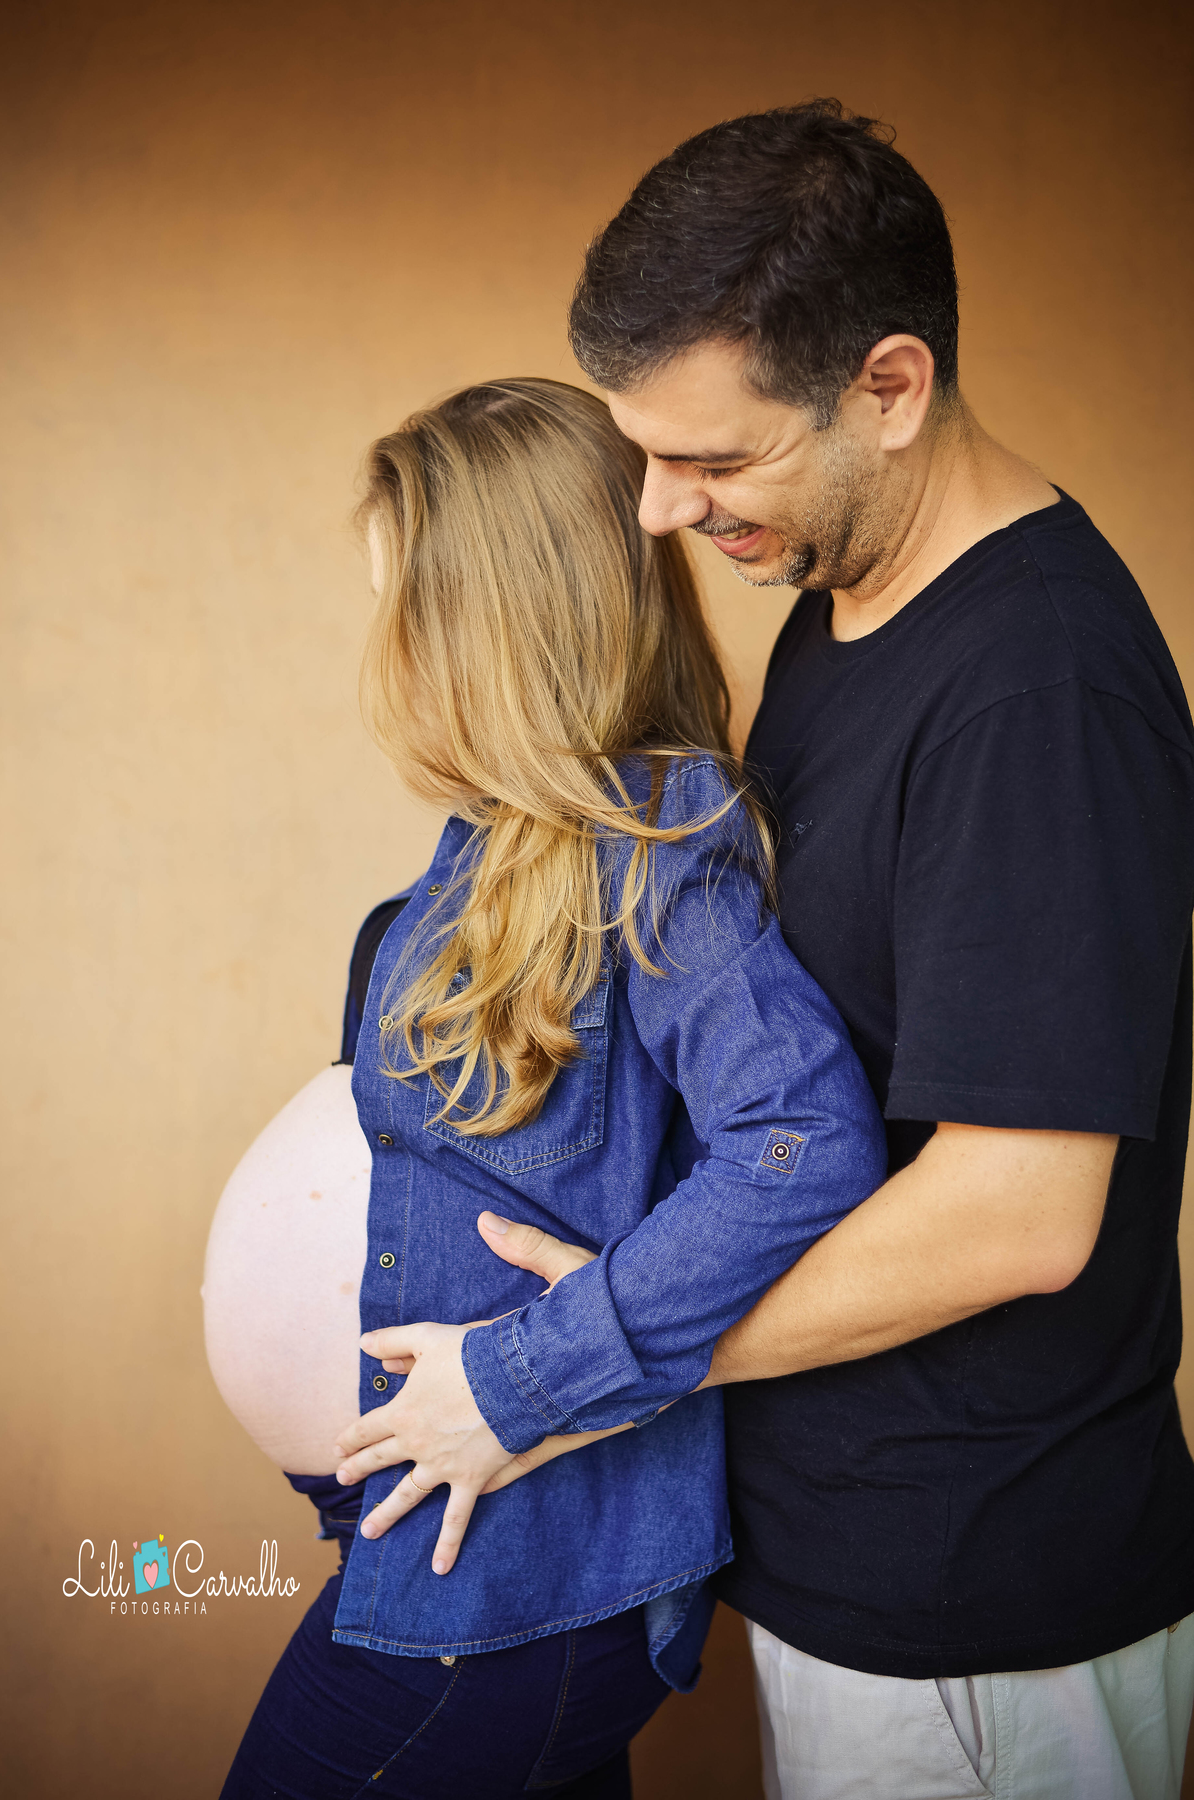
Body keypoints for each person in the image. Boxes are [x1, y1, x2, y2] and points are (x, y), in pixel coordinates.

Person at [355, 103, 1194, 1798]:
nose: (660, 512)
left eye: (715, 460)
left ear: (890, 388)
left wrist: (568, 1367)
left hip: (977, 1612)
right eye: (645, 454)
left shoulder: (1037, 692)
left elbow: (1020, 1217)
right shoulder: (841, 594)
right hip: (841, 1565)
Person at [218, 376, 887, 1799]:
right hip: (441, 1531)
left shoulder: (661, 850)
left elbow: (804, 1144)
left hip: (522, 1560)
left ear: (491, 626)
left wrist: (529, 1376)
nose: (386, 651)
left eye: (408, 609)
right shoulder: (487, 853)